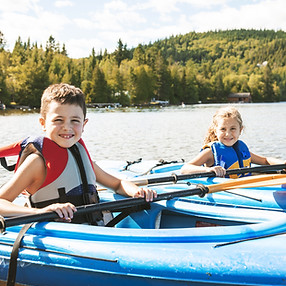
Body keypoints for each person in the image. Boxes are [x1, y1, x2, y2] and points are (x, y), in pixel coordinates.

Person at [0, 83, 156, 222]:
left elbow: (117, 184)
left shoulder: (80, 155)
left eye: (74, 120)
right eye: (58, 120)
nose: (67, 127)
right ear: (43, 123)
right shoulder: (37, 162)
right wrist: (39, 212)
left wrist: (137, 191)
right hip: (58, 238)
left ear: (84, 124)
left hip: (92, 230)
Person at [180, 106, 286, 178]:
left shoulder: (241, 149)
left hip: (245, 187)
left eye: (233, 129)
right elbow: (185, 169)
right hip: (223, 191)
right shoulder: (210, 153)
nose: (228, 134)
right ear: (215, 131)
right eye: (223, 129)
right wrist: (209, 170)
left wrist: (283, 164)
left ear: (240, 130)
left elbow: (265, 160)